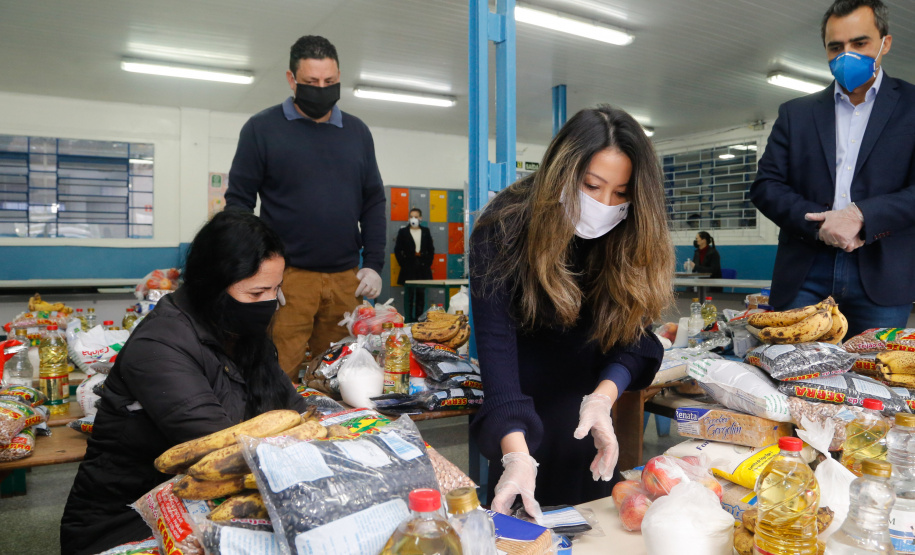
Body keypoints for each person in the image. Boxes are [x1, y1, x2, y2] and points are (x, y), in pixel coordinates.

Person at [59, 211, 309, 555]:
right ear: (213, 286)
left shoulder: (242, 333)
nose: (269, 303)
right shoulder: (160, 346)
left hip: (209, 507)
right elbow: (221, 454)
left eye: (276, 290)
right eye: (257, 293)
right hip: (128, 521)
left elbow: (296, 411)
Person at [469, 106, 674, 516]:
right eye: (591, 185)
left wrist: (602, 397)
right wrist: (516, 457)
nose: (603, 205)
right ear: (563, 171)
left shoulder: (628, 233)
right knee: (521, 518)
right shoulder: (504, 226)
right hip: (521, 418)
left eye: (620, 194)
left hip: (589, 417)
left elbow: (635, 339)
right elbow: (497, 353)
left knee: (594, 525)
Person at [750, 0, 915, 338]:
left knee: (873, 381)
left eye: (860, 43)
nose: (846, 55)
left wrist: (861, 216)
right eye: (835, 47)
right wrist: (820, 224)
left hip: (882, 276)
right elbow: (766, 185)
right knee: (789, 376)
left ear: (885, 42)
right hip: (804, 270)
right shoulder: (796, 113)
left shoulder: (912, 107)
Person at [225, 35, 386, 380]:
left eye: (330, 82)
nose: (322, 89)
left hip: (347, 280)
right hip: (287, 279)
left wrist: (373, 263)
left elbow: (373, 199)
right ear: (291, 79)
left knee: (344, 375)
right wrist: (255, 270)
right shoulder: (262, 128)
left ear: (339, 76)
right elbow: (238, 203)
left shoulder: (357, 132)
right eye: (312, 82)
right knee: (278, 373)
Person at [394, 207, 435, 321]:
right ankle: (408, 319)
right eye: (411, 216)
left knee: (421, 295)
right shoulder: (403, 232)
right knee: (409, 296)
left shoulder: (425, 231)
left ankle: (419, 319)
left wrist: (427, 263)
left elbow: (431, 249)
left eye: (416, 217)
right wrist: (403, 264)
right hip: (408, 268)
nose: (413, 219)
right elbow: (397, 250)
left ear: (420, 218)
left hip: (422, 268)